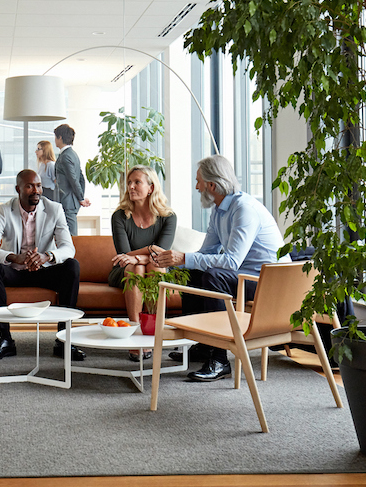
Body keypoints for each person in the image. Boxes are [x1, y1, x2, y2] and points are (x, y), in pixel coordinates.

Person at [154, 154, 289, 382]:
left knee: (214, 277)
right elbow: (206, 253)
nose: (196, 187)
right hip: (248, 276)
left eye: (199, 181)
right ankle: (205, 344)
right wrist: (177, 260)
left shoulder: (243, 209)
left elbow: (232, 262)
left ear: (212, 185)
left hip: (269, 282)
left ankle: (219, 359)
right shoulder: (219, 210)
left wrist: (184, 257)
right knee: (192, 271)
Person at [0, 169, 85, 362]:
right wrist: (14, 257)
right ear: (18, 189)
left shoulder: (55, 209)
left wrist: (47, 256)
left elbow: (68, 248)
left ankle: (63, 339)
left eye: (38, 186)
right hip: (15, 272)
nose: (36, 190)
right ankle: (5, 340)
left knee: (72, 266)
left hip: (44, 271)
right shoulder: (4, 210)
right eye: (29, 186)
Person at [109, 166, 177, 361]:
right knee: (135, 267)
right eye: (129, 183)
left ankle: (153, 333)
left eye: (137, 182)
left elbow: (161, 254)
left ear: (151, 187)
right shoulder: (120, 216)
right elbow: (124, 256)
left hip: (155, 266)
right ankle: (135, 333)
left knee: (154, 266)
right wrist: (149, 250)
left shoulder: (168, 217)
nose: (131, 186)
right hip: (124, 270)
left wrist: (141, 256)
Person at [53, 124, 90, 235]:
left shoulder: (65, 156)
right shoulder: (73, 154)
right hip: (71, 201)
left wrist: (81, 198)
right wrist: (80, 197)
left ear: (60, 137)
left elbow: (74, 179)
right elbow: (81, 178)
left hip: (67, 201)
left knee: (70, 236)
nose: (54, 140)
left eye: (55, 137)